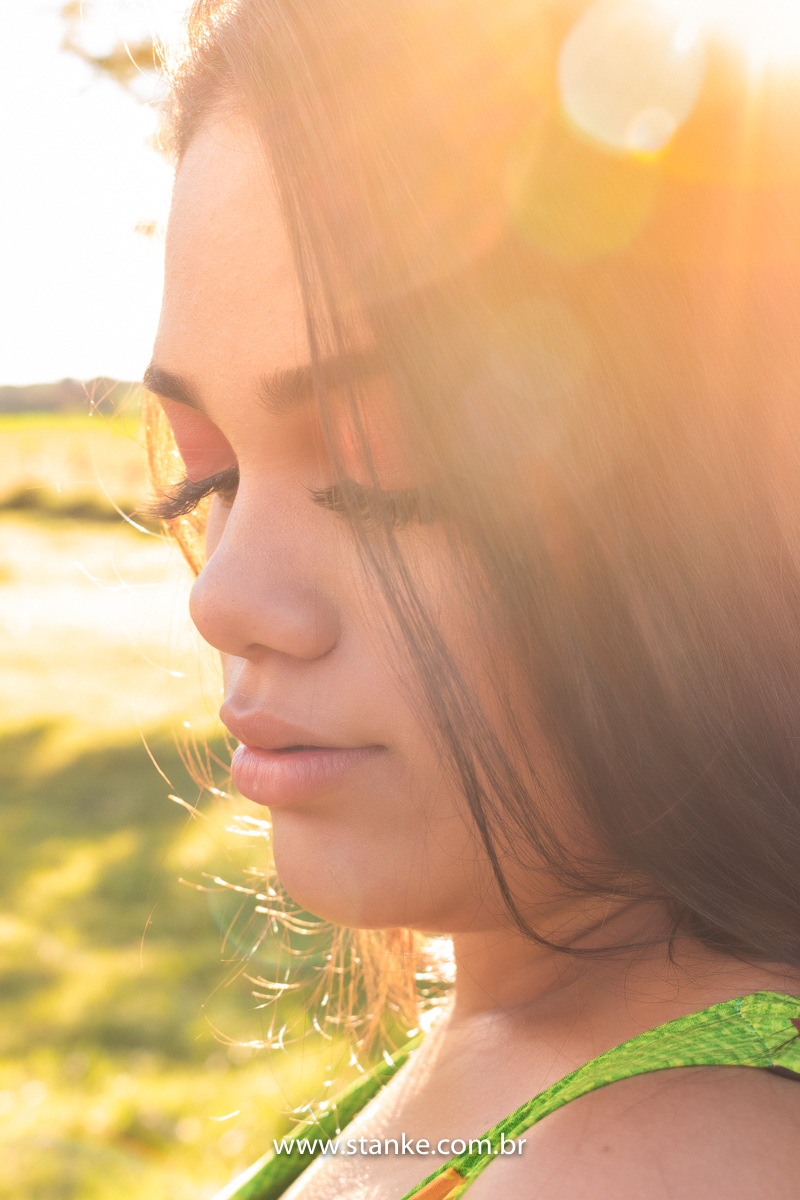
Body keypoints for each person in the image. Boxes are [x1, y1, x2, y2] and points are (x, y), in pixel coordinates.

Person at [144, 0, 800, 1196]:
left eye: (383, 472)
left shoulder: (667, 1157)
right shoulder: (504, 1060)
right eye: (210, 474)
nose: (224, 598)